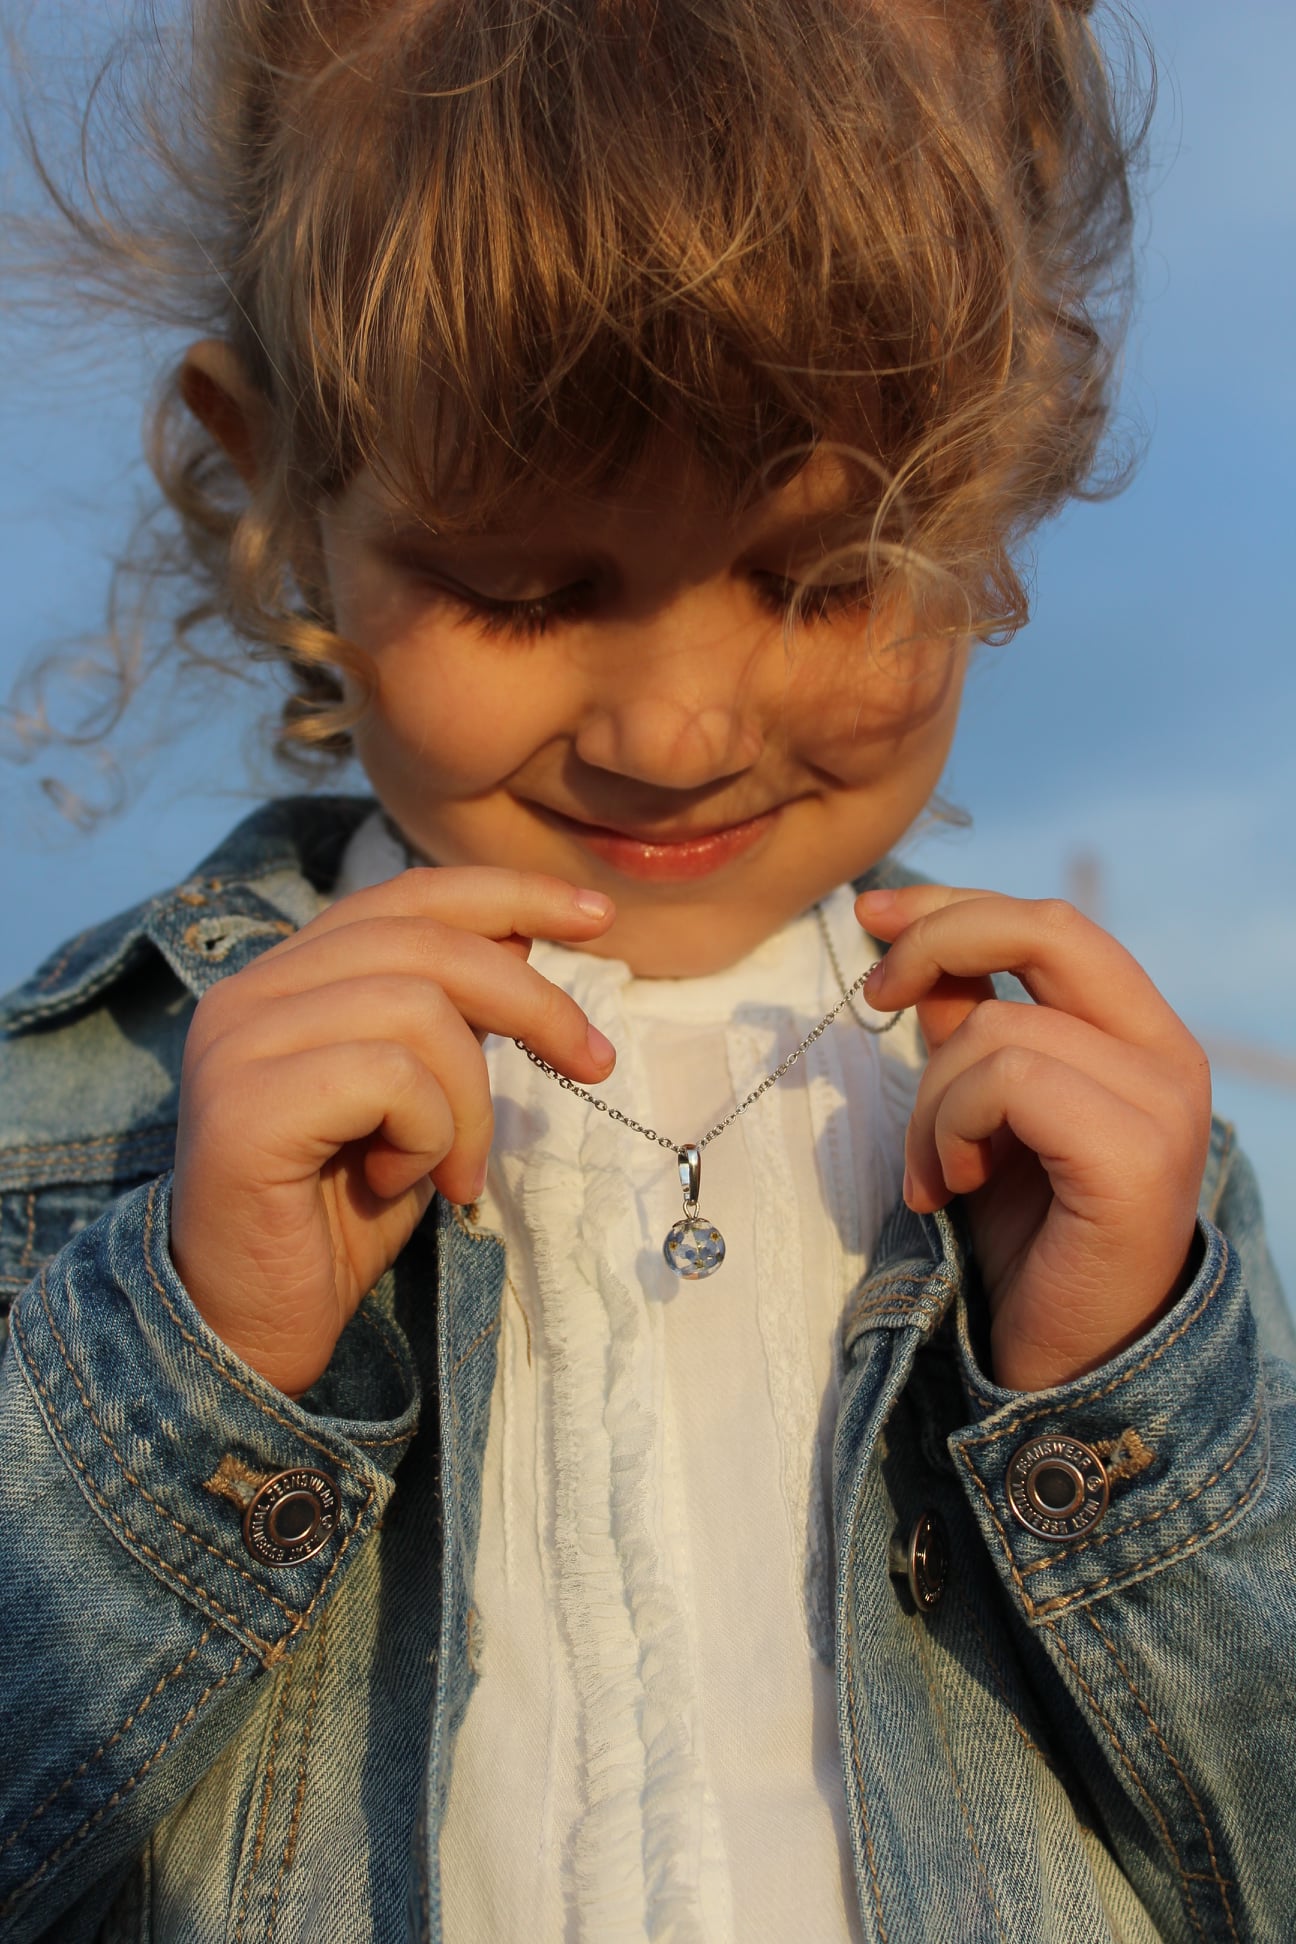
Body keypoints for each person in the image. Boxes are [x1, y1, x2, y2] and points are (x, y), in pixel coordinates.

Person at [2, 1, 1293, 1938]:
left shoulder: (1100, 1163)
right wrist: (194, 1361)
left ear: (994, 476)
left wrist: (1116, 1391)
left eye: (822, 575)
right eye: (526, 591)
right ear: (278, 491)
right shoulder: (98, 1130)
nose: (680, 729)